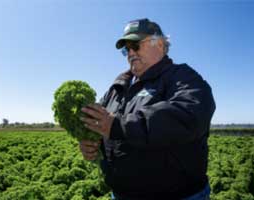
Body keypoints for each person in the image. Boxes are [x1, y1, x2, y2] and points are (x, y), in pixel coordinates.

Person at [80, 18, 215, 200]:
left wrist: (118, 125)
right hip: (120, 195)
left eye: (135, 45)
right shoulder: (118, 87)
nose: (130, 53)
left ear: (159, 44)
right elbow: (102, 124)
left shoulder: (182, 77)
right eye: (126, 49)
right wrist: (92, 143)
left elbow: (188, 116)